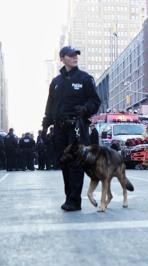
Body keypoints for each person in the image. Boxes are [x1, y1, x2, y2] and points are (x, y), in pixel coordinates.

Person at [42, 46, 101, 212]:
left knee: (76, 163)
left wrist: (84, 109)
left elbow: (95, 102)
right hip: (60, 129)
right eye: (71, 55)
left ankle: (75, 201)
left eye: (76, 55)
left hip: (77, 127)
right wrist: (45, 126)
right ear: (62, 58)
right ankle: (69, 197)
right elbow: (50, 107)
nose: (75, 57)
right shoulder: (55, 82)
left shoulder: (85, 79)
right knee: (65, 163)